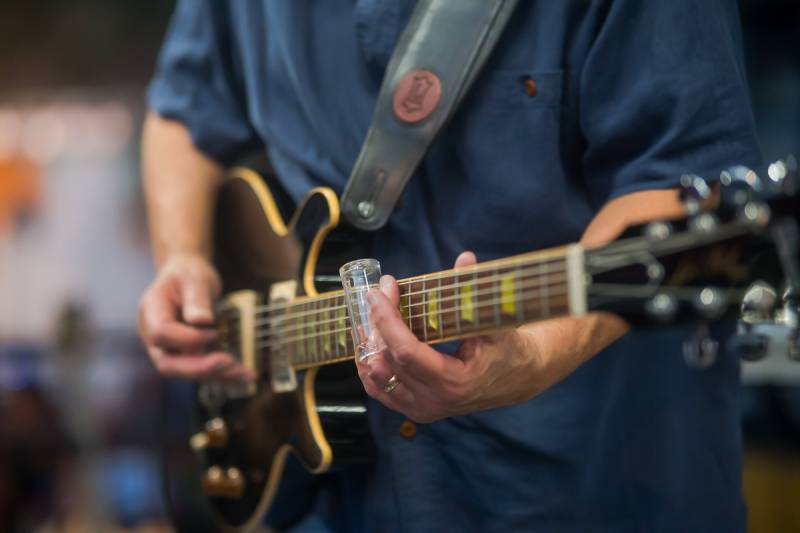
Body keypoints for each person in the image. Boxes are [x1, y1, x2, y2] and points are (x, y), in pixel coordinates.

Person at [138, 1, 763, 531]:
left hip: (587, 486)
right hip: (331, 501)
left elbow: (685, 185)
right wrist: (182, 257)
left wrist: (540, 354)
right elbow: (183, 111)